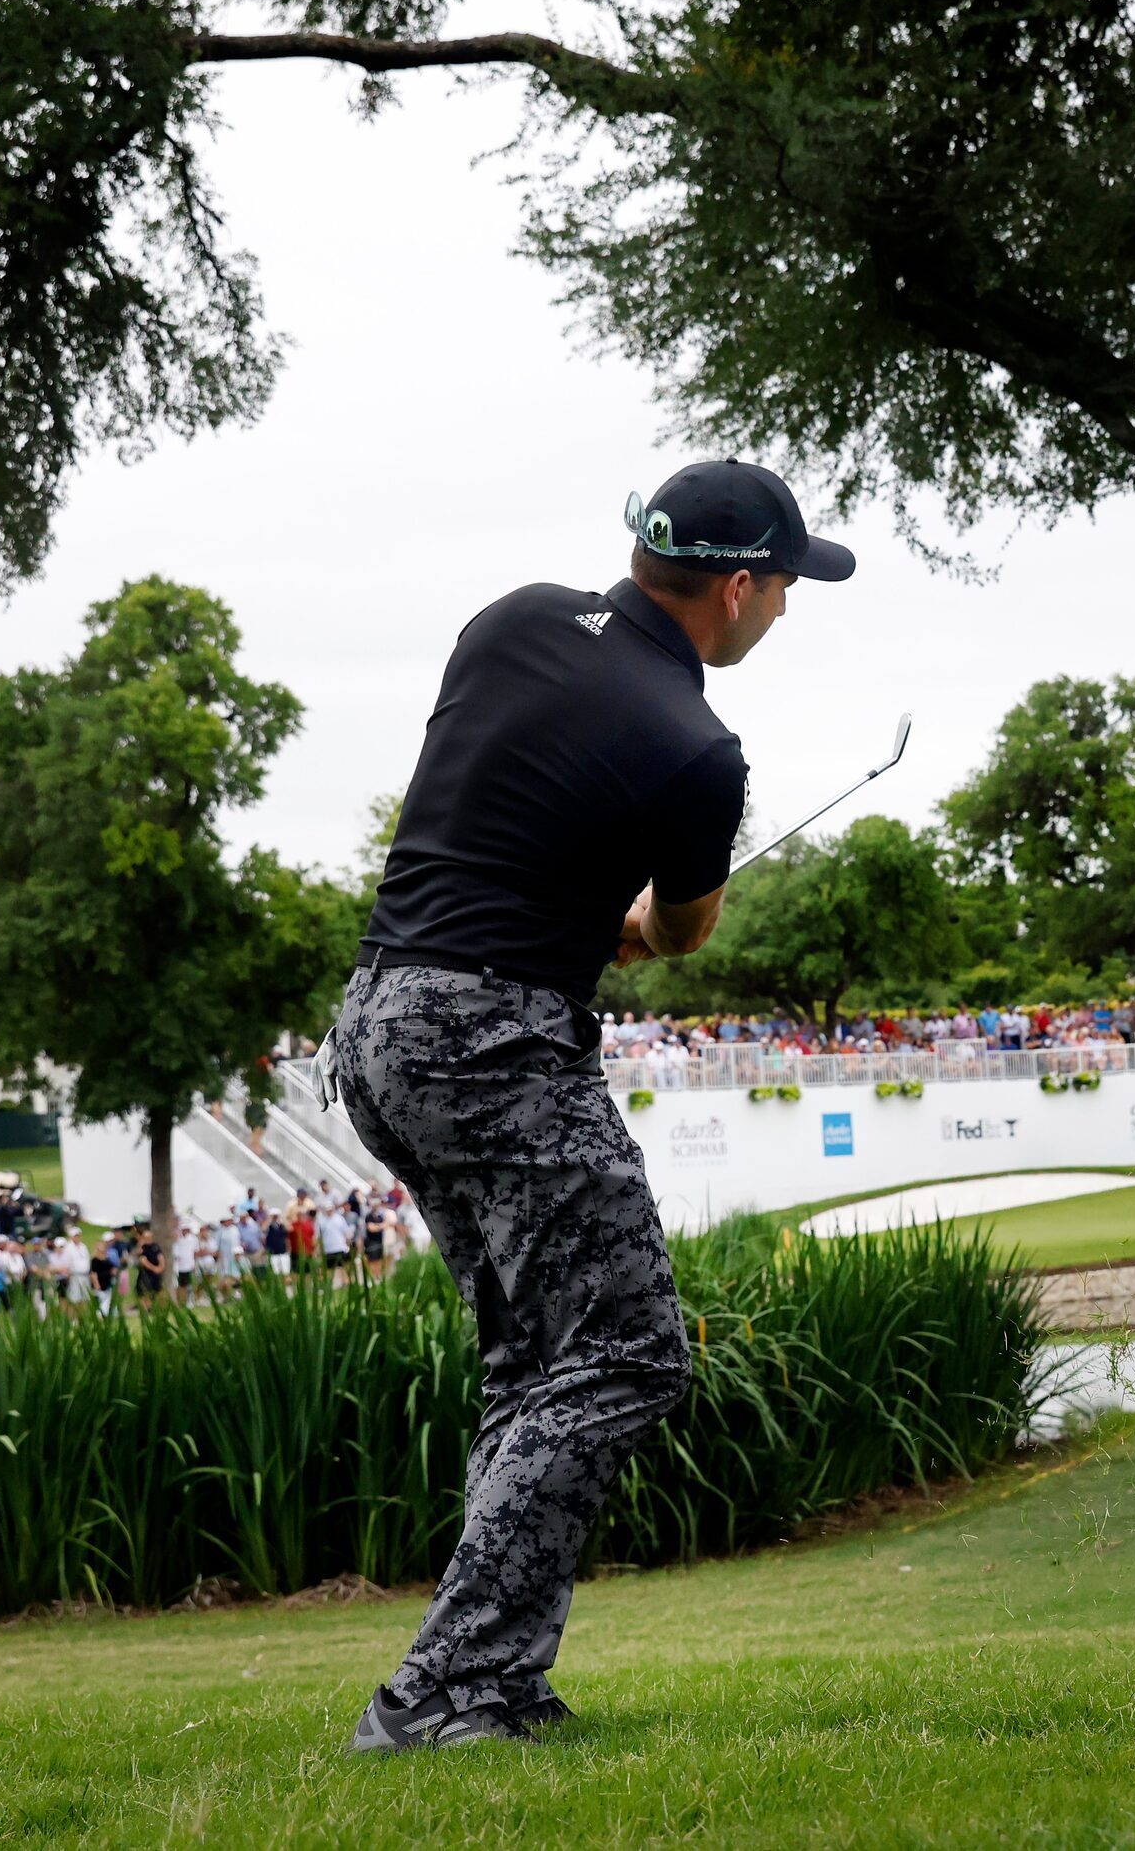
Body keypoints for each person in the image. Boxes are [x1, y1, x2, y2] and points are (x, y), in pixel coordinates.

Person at [329, 460, 845, 1753]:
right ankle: (440, 1686)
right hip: (497, 1040)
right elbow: (679, 926)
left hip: (381, 1020)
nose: (784, 605)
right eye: (784, 584)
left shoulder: (505, 619)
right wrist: (631, 928)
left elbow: (502, 796)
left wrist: (569, 907)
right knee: (629, 1350)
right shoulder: (698, 749)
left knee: (530, 1360)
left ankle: (493, 1683)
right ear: (736, 589)